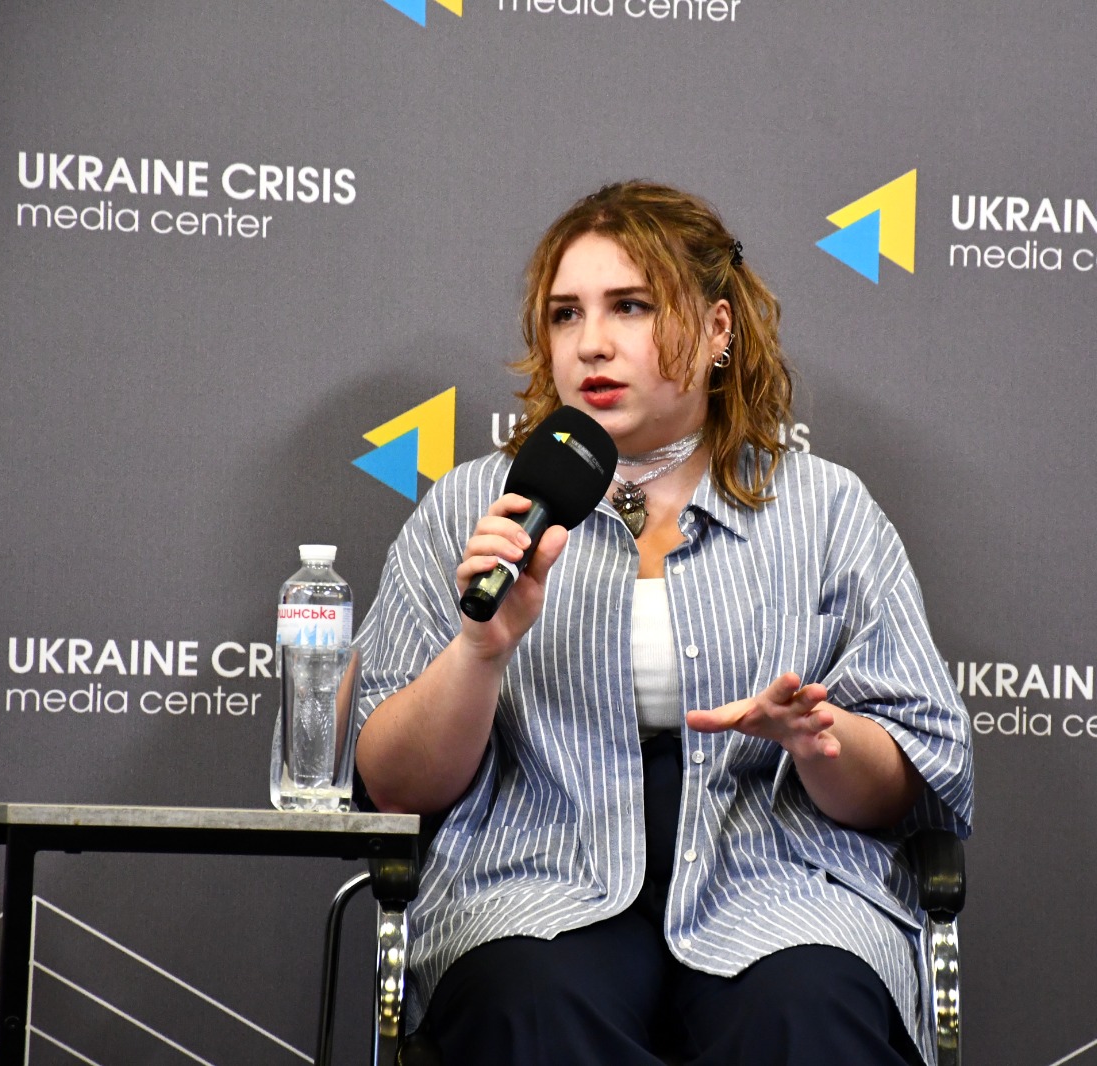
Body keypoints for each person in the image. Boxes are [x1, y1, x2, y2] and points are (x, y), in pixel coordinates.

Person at [352, 181, 973, 1066]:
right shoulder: (476, 508)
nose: (591, 343)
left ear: (719, 329)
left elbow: (904, 784)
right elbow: (394, 788)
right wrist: (480, 651)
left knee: (808, 1011)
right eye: (566, 314)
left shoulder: (827, 510)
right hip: (538, 877)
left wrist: (819, 740)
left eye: (631, 307)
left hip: (780, 878)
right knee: (528, 1006)